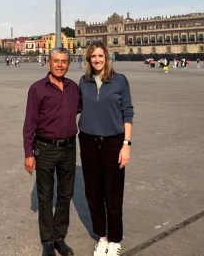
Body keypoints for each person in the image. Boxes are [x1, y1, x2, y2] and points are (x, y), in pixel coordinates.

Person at [23, 48, 81, 256]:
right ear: (49, 62)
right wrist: (29, 153)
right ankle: (47, 242)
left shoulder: (73, 87)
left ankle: (59, 238)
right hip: (45, 148)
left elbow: (81, 109)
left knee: (65, 195)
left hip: (68, 148)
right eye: (56, 61)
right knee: (46, 196)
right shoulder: (37, 89)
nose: (59, 65)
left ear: (68, 64)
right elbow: (29, 123)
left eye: (63, 61)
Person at [78, 42, 134, 256]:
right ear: (88, 59)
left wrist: (126, 144)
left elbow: (127, 112)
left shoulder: (120, 80)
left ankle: (115, 239)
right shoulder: (84, 81)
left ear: (107, 57)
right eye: (93, 56)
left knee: (113, 193)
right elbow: (75, 106)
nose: (97, 60)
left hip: (113, 142)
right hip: (88, 142)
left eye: (100, 56)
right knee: (93, 193)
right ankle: (101, 237)